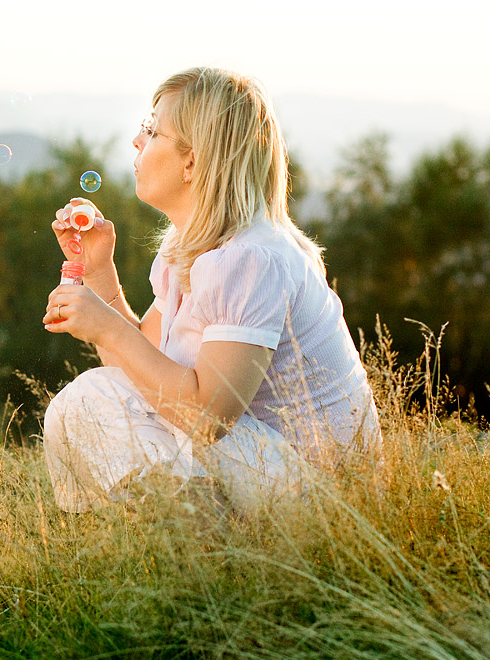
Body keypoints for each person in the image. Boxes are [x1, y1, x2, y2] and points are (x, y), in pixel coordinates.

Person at [42, 67, 381, 514]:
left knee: (91, 397)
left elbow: (207, 419)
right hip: (270, 469)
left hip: (323, 496)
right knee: (91, 399)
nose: (137, 141)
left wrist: (106, 327)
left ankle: (199, 542)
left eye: (153, 131)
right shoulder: (194, 250)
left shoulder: (249, 259)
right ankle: (179, 535)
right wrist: (99, 270)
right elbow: (144, 372)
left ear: (192, 161)